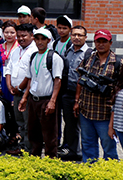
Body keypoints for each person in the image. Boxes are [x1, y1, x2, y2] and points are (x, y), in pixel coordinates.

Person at [18, 28, 62, 158]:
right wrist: (24, 98)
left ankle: (50, 161)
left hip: (47, 99)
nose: (40, 42)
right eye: (37, 39)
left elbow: (57, 80)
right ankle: (35, 158)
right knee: (33, 132)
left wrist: (52, 101)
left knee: (49, 134)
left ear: (48, 41)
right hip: (33, 99)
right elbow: (31, 78)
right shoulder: (33, 56)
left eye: (43, 39)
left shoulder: (54, 57)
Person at [4, 23, 36, 150]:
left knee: (28, 122)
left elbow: (30, 74)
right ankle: (21, 146)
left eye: (24, 36)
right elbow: (8, 69)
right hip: (15, 92)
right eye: (19, 36)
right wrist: (9, 86)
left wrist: (20, 88)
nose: (21, 38)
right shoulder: (16, 50)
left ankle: (28, 148)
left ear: (32, 36)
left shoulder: (34, 51)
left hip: (26, 93)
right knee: (19, 121)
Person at [59, 25, 89, 160]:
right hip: (68, 92)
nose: (76, 38)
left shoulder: (89, 53)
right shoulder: (68, 51)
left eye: (80, 35)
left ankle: (87, 153)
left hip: (84, 95)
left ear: (85, 37)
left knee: (85, 125)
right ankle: (73, 151)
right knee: (70, 124)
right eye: (74, 35)